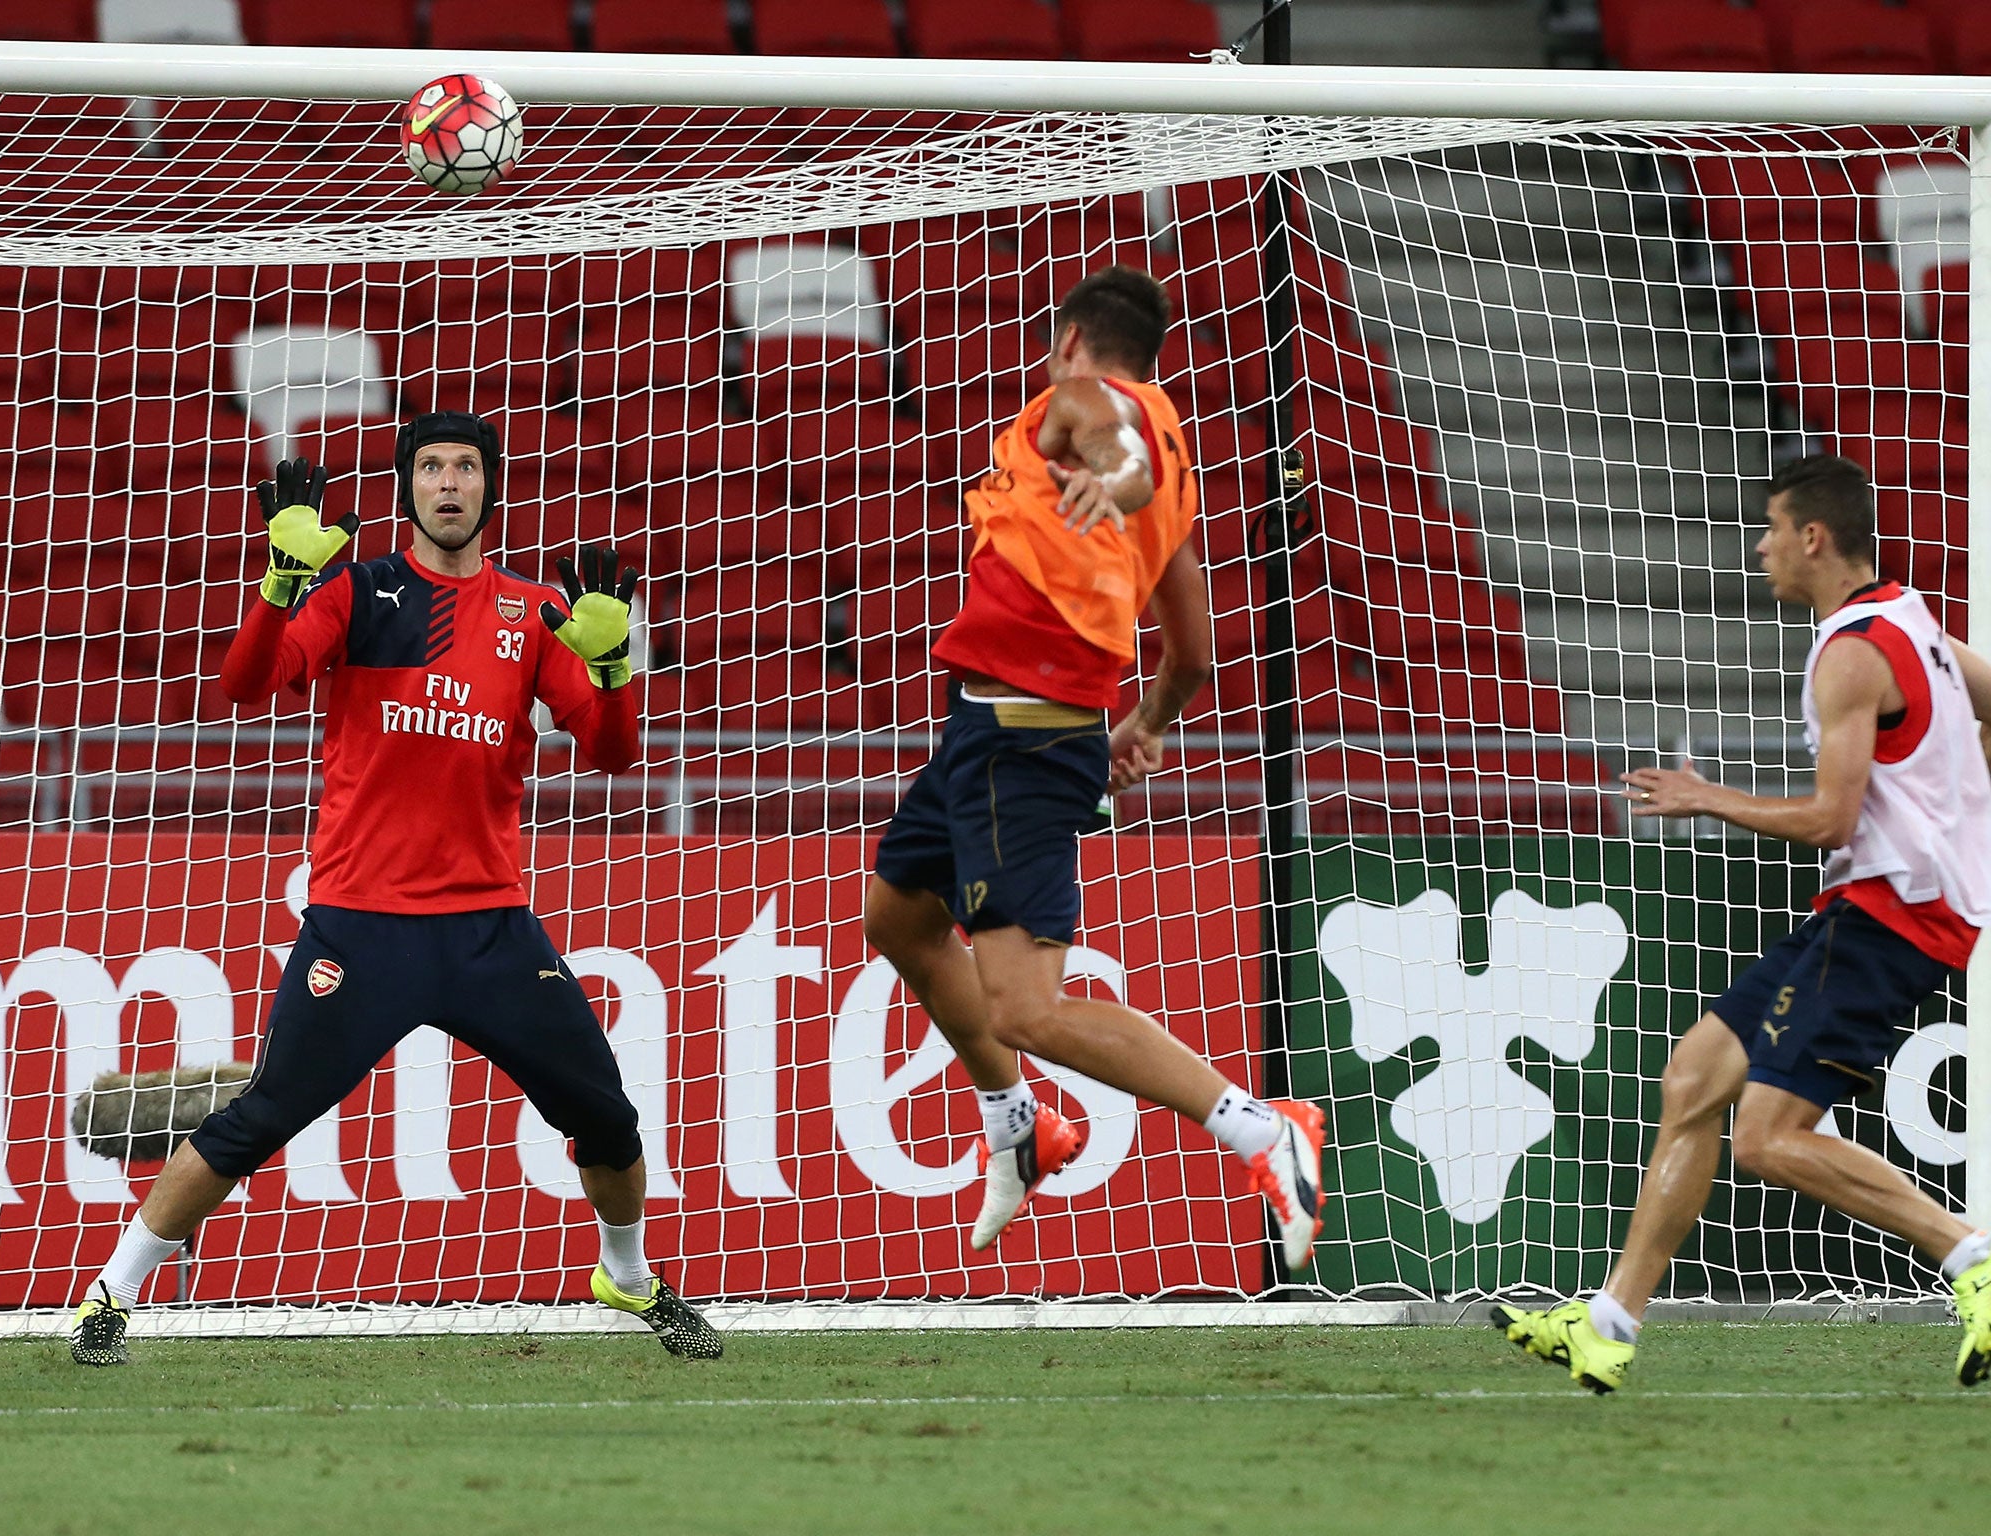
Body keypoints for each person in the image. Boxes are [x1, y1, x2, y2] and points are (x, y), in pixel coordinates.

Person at [68, 411, 720, 1366]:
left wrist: (614, 667)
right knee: (258, 1118)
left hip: (488, 930)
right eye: (430, 467)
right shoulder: (357, 591)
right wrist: (279, 586)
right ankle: (109, 1298)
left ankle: (625, 1274)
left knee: (609, 1119)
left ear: (490, 488)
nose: (448, 483)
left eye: (465, 467)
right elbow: (247, 683)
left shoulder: (536, 613)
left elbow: (615, 755)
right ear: (406, 488)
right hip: (360, 929)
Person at [861, 265, 1326, 1270]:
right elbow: (1194, 652)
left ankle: (1261, 1128)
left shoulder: (1080, 408)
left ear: (1069, 340)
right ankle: (1017, 1124)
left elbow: (1122, 462)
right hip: (998, 729)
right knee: (895, 917)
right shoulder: (1177, 454)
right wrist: (1142, 724)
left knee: (1024, 1008)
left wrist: (1109, 479)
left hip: (1019, 742)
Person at [1496, 454, 1991, 1393]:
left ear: (1813, 538)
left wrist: (1701, 795)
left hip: (1889, 912)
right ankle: (1609, 1324)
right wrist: (1958, 810)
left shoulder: (1852, 648)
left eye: (1771, 529)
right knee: (1692, 1079)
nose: (1760, 548)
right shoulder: (1913, 621)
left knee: (1766, 1139)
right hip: (1885, 902)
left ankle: (1974, 1259)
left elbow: (1829, 821)